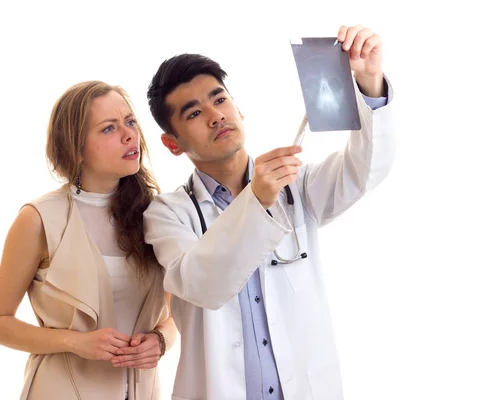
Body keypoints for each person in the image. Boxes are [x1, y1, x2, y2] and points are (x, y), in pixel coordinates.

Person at [135, 24, 395, 399]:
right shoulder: (167, 214)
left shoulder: (296, 187)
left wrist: (370, 82)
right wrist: (255, 201)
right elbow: (201, 284)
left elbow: (366, 172)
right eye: (194, 113)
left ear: (238, 108)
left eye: (219, 100)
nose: (215, 116)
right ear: (172, 144)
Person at [0, 81, 177, 400]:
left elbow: (177, 314)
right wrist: (74, 342)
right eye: (108, 128)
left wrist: (161, 341)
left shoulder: (157, 216)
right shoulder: (39, 219)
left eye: (130, 122)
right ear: (76, 147)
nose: (130, 135)